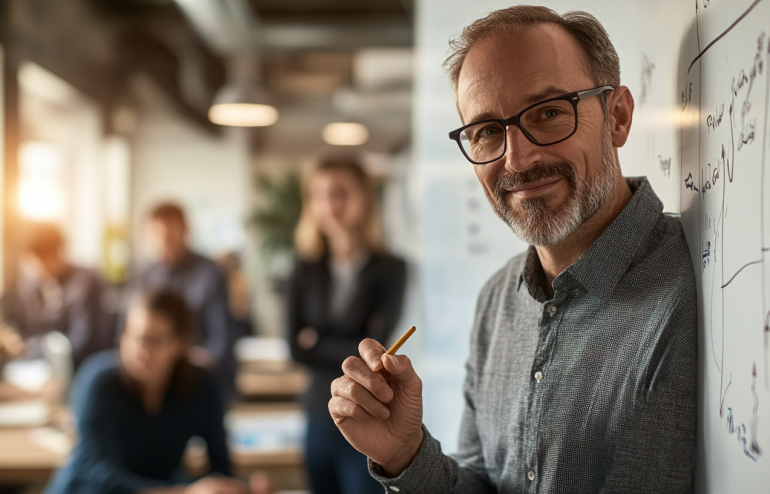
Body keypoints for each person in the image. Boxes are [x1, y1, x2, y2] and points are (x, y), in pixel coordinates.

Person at [329, 6, 697, 494]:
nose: (517, 159)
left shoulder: (686, 288)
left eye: (548, 113)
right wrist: (404, 454)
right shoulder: (499, 299)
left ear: (618, 118)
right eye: (486, 131)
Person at [45, 290, 262, 494]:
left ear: (179, 344)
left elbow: (220, 467)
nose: (141, 351)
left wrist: (242, 488)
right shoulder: (99, 382)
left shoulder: (201, 385)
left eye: (154, 341)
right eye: (134, 337)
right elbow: (100, 476)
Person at [287, 156, 407, 494]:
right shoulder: (303, 268)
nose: (331, 205)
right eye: (320, 195)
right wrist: (349, 342)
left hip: (367, 415)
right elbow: (294, 349)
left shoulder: (392, 269)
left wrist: (317, 341)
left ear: (364, 198)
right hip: (317, 414)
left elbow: (377, 348)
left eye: (341, 192)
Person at [130, 203, 236, 399]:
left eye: (171, 234)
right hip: (151, 378)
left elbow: (221, 338)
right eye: (157, 235)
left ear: (186, 231)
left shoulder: (210, 273)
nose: (164, 242)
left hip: (198, 376)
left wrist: (184, 361)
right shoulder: (143, 274)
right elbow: (129, 331)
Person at [0, 223, 109, 368]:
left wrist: (31, 348)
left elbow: (82, 341)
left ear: (58, 253)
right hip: (37, 365)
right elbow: (22, 327)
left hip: (78, 366)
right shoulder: (30, 284)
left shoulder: (85, 283)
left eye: (41, 262)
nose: (36, 269)